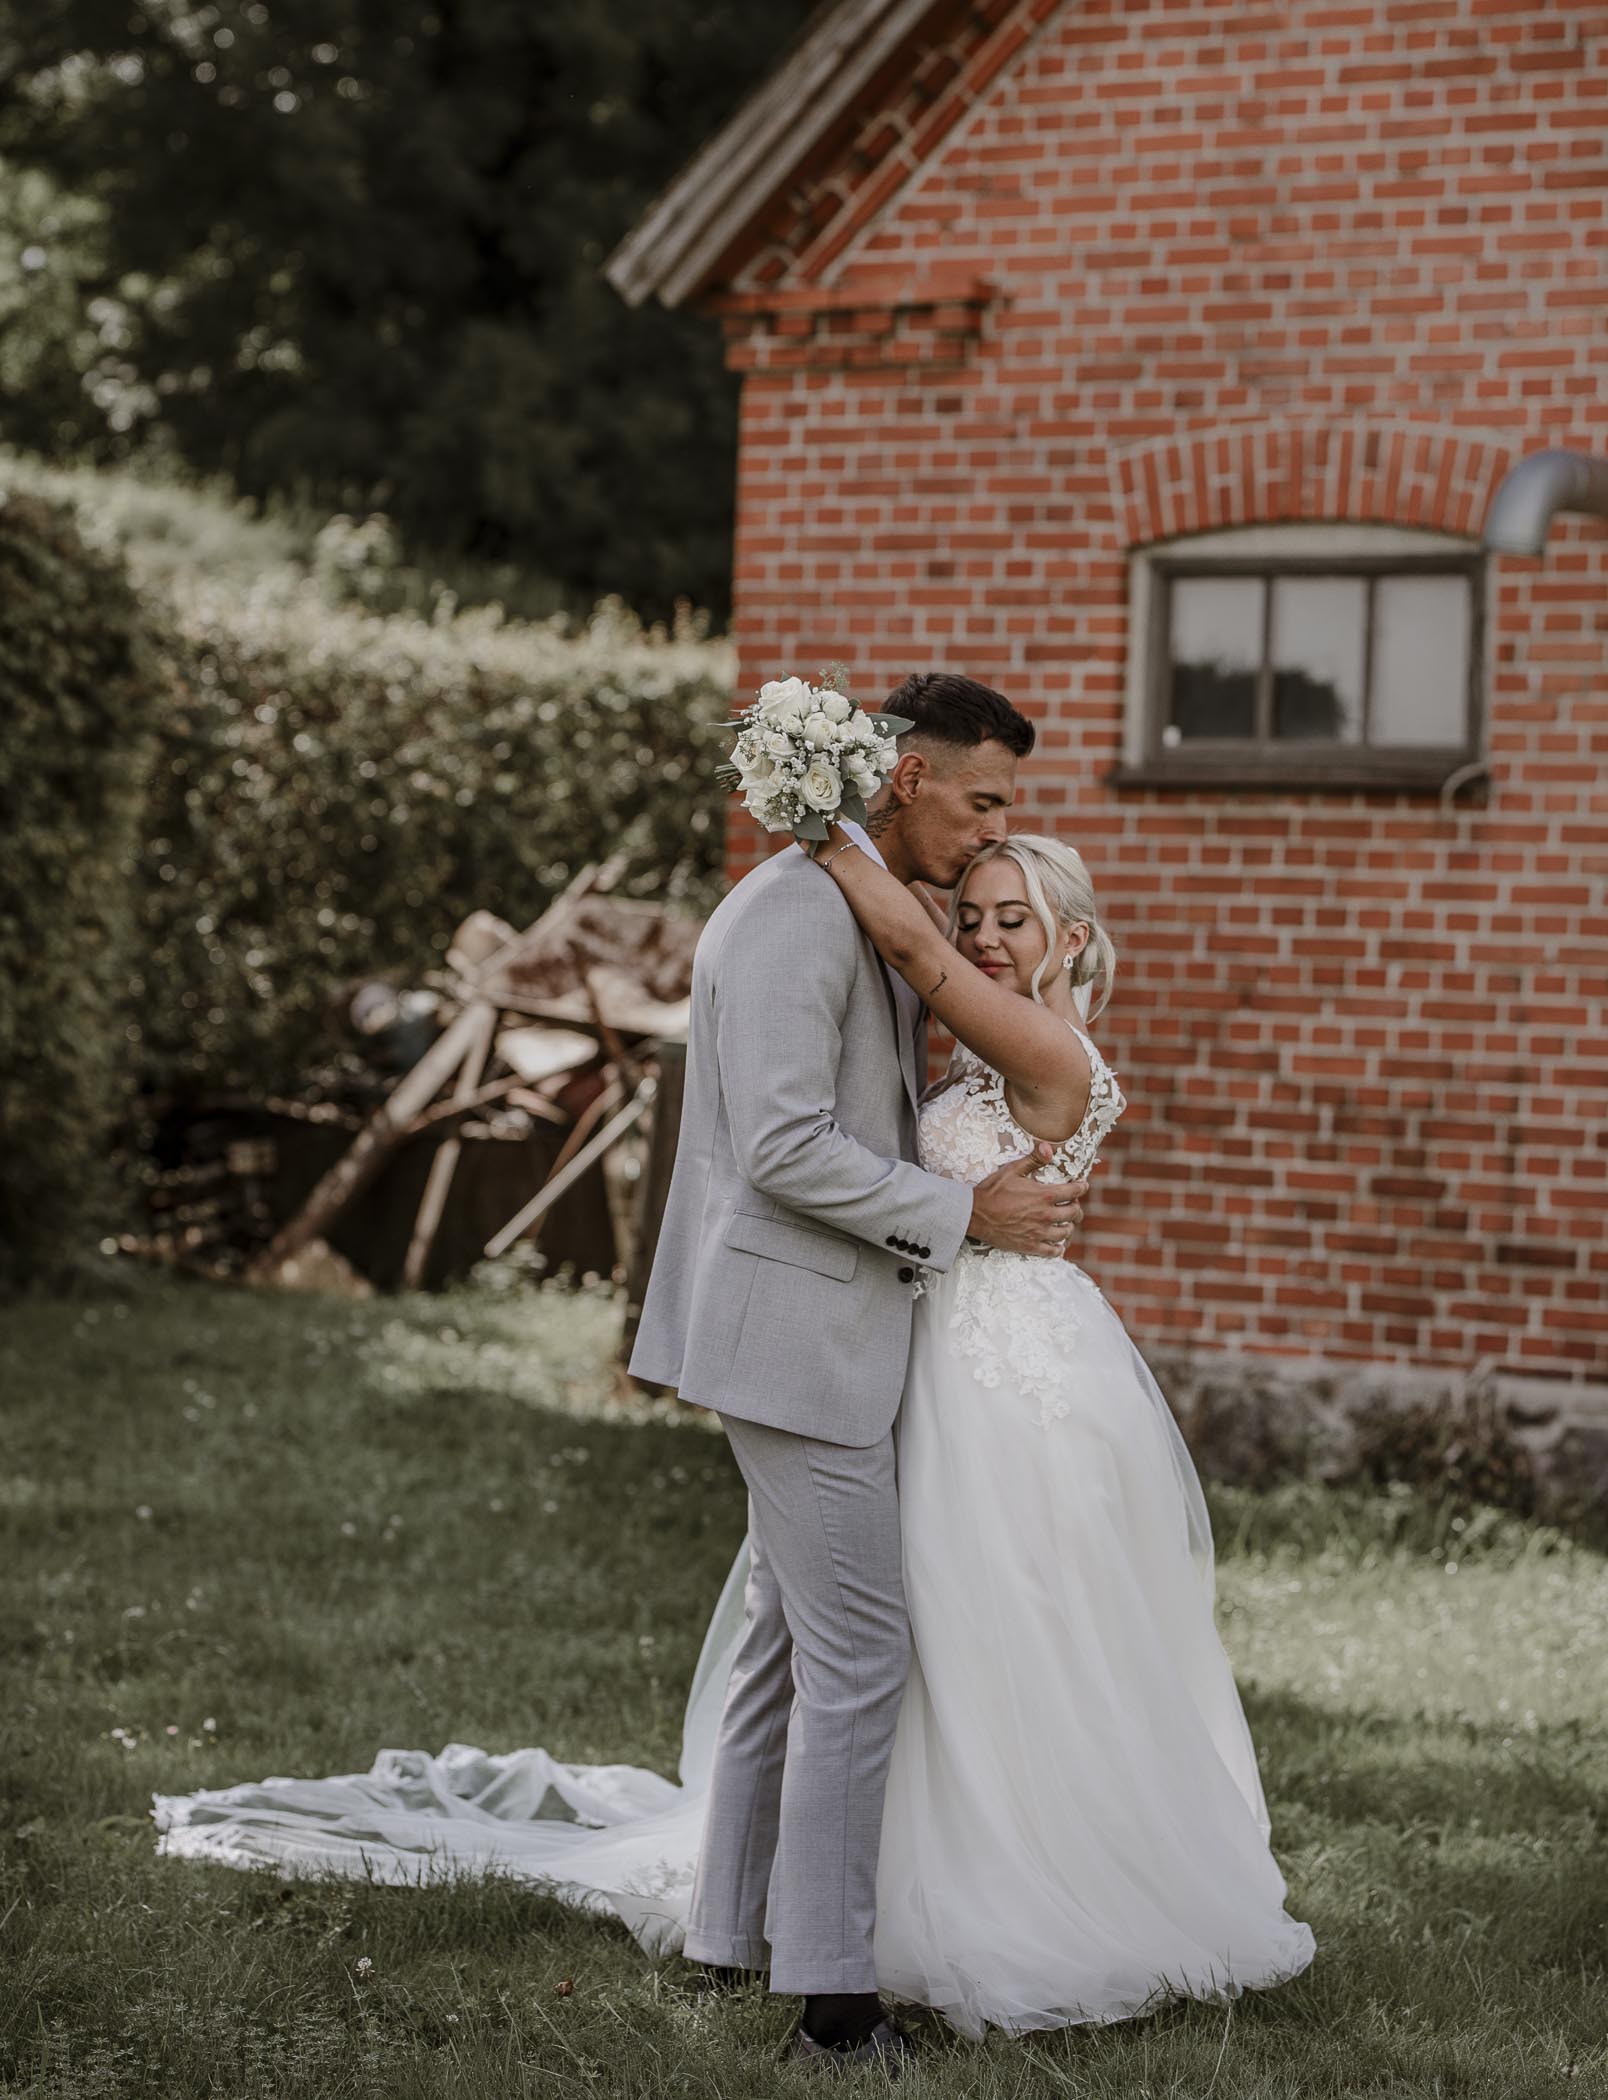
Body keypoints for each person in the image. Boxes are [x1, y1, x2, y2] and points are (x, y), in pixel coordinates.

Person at [154, 673, 1314, 2061]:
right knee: (861, 1652)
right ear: (908, 779)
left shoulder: (862, 904)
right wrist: (963, 1215)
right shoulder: (792, 915)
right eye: (983, 802)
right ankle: (833, 2003)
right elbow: (780, 1145)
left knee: (781, 1644)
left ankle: (727, 1931)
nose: (993, 832)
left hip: (869, 1336)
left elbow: (923, 1020)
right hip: (800, 1336)